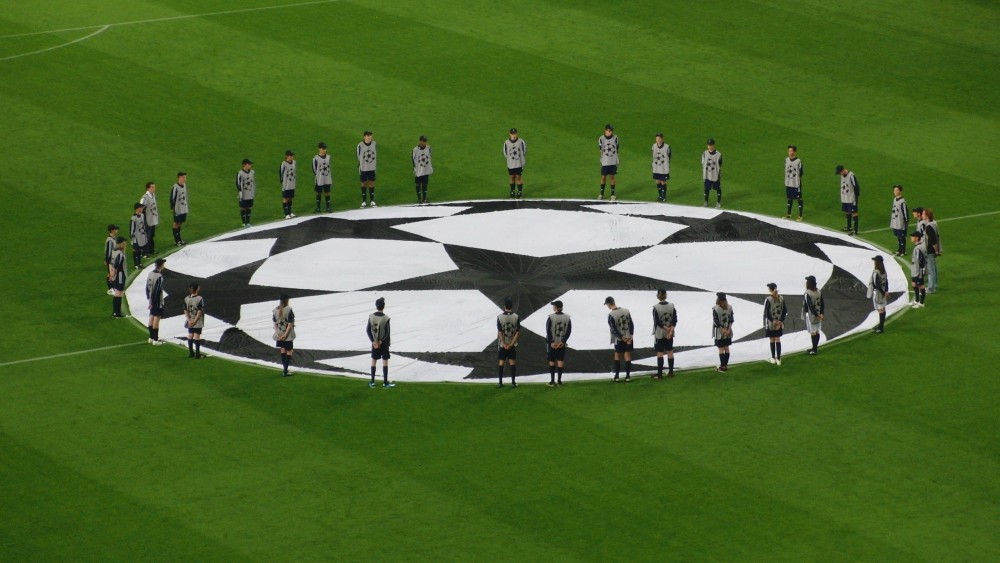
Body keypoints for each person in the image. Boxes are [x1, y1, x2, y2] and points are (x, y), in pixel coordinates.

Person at [604, 296, 634, 382]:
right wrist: (631, 335)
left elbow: (613, 329)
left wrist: (621, 337)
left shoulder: (611, 315)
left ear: (609, 304)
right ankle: (627, 377)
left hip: (619, 339)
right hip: (628, 336)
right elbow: (631, 324)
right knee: (627, 355)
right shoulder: (626, 310)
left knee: (617, 355)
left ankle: (616, 376)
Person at [367, 297, 394, 388]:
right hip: (384, 343)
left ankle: (372, 381)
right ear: (384, 306)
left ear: (376, 306)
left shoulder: (371, 317)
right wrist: (381, 341)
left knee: (373, 360)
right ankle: (385, 383)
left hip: (374, 343)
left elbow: (368, 330)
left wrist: (373, 341)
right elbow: (387, 332)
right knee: (385, 361)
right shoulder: (386, 318)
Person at [545, 300, 572, 386]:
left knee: (551, 360)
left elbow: (548, 331)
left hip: (552, 344)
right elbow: (569, 331)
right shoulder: (567, 317)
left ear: (555, 307)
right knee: (560, 360)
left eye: (553, 306)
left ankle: (552, 381)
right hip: (562, 344)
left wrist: (552, 342)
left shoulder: (551, 317)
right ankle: (559, 381)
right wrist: (563, 342)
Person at [651, 289, 677, 378]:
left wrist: (666, 328)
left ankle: (659, 374)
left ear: (658, 296)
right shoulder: (672, 306)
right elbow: (675, 319)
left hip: (660, 333)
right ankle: (671, 372)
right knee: (670, 351)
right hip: (670, 333)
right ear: (666, 295)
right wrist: (671, 330)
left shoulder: (655, 307)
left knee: (660, 352)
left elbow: (657, 322)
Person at [496, 298, 520, 387]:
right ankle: (513, 382)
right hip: (512, 345)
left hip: (503, 345)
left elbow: (499, 332)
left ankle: (500, 382)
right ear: (512, 307)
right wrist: (511, 344)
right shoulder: (516, 317)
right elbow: (517, 332)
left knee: (501, 363)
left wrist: (503, 344)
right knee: (512, 363)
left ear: (504, 306)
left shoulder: (499, 317)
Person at [763, 283, 787, 365]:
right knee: (777, 339)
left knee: (772, 339)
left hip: (771, 323)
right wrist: (780, 321)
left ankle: (773, 358)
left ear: (770, 289)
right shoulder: (781, 298)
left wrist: (773, 321)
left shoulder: (768, 299)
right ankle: (779, 359)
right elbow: (784, 311)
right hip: (779, 322)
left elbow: (766, 312)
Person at [272, 293, 295, 376]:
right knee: (289, 350)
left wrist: (278, 333)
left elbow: (275, 323)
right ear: (287, 300)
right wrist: (285, 335)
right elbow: (289, 324)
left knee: (283, 349)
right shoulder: (288, 309)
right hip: (287, 334)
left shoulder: (275, 310)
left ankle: (285, 369)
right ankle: (285, 371)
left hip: (279, 333)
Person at [145, 258, 167, 345]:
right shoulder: (159, 277)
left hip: (151, 299)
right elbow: (157, 291)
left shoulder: (150, 273)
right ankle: (155, 339)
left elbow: (147, 287)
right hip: (157, 301)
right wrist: (153, 303)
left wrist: (149, 299)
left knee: (151, 316)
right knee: (156, 318)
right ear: (161, 265)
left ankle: (151, 337)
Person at [802, 275, 824, 355]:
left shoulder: (807, 293)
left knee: (813, 332)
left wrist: (816, 315)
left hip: (811, 315)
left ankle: (814, 350)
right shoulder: (819, 291)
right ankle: (814, 348)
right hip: (818, 313)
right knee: (817, 331)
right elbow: (822, 303)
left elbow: (809, 306)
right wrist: (821, 313)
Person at [712, 292, 734, 371]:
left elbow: (716, 321)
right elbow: (731, 320)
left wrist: (722, 330)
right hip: (728, 330)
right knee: (726, 348)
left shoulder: (715, 308)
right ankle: (725, 366)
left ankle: (722, 366)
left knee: (721, 348)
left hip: (719, 332)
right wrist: (728, 330)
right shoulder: (730, 307)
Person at [836, 165, 860, 235]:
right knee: (847, 211)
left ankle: (855, 230)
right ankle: (849, 227)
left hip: (851, 197)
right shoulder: (842, 176)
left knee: (854, 212)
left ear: (843, 170)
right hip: (845, 197)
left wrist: (856, 197)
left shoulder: (851, 176)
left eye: (840, 172)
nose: (840, 174)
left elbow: (856, 186)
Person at [867, 255, 888, 333]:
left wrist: (883, 293)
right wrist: (886, 291)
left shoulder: (876, 272)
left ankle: (880, 328)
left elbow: (877, 285)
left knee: (880, 310)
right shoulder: (884, 271)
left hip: (878, 293)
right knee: (883, 309)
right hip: (883, 292)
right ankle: (881, 326)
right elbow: (886, 281)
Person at [922, 208, 941, 293]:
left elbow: (933, 241)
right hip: (932, 250)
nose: (922, 215)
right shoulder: (934, 223)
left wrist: (936, 251)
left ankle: (931, 288)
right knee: (933, 268)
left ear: (927, 216)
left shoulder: (929, 227)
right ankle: (934, 285)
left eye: (923, 214)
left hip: (930, 250)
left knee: (931, 270)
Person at [598, 124, 619, 201]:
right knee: (603, 177)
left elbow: (617, 148)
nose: (611, 132)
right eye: (609, 131)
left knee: (612, 177)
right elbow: (601, 150)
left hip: (613, 162)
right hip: (605, 162)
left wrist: (616, 159)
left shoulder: (615, 138)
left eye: (611, 131)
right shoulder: (601, 139)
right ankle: (601, 194)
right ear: (605, 131)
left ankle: (613, 194)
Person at [503, 128, 526, 199]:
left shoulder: (521, 142)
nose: (514, 135)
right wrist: (510, 159)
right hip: (511, 164)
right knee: (512, 177)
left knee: (518, 177)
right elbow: (505, 153)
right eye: (512, 134)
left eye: (515, 133)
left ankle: (519, 192)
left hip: (519, 163)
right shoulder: (506, 143)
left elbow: (524, 151)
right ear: (510, 134)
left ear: (517, 134)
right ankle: (512, 191)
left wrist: (520, 160)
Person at [184, 283, 205, 358]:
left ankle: (191, 353)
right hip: (197, 321)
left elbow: (185, 310)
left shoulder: (186, 298)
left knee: (190, 334)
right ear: (197, 289)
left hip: (190, 319)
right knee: (197, 336)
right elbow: (199, 311)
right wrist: (195, 320)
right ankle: (197, 354)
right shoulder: (200, 299)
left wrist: (189, 320)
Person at [110, 236, 129, 318]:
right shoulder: (120, 254)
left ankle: (115, 312)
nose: (125, 244)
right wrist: (113, 275)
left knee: (116, 293)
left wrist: (111, 274)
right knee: (119, 293)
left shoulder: (114, 251)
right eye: (124, 242)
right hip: (120, 275)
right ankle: (117, 312)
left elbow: (111, 264)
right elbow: (116, 266)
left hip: (115, 275)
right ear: (121, 243)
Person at [357, 130, 377, 208]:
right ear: (364, 137)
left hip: (372, 168)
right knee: (363, 183)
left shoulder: (374, 144)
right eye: (368, 136)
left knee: (371, 183)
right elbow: (358, 156)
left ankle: (372, 201)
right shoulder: (360, 145)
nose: (370, 137)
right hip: (363, 168)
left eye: (370, 135)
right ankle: (364, 201)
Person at [784, 145, 804, 221]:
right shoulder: (786, 160)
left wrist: (796, 179)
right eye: (789, 151)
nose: (789, 152)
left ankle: (800, 216)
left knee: (799, 198)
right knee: (789, 197)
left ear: (794, 152)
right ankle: (789, 214)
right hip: (788, 183)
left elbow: (801, 172)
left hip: (796, 184)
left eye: (791, 151)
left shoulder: (798, 161)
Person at [702, 138, 723, 208]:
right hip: (707, 175)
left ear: (713, 145)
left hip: (715, 175)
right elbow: (703, 163)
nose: (709, 146)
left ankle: (718, 202)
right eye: (708, 145)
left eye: (710, 145)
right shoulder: (704, 153)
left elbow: (720, 165)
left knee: (718, 188)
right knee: (706, 188)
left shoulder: (719, 155)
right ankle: (706, 202)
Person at [412, 135, 433, 205]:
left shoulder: (429, 148)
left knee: (425, 184)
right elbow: (413, 161)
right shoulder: (415, 150)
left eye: (425, 141)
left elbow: (430, 157)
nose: (424, 142)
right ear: (420, 141)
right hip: (418, 170)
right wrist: (415, 169)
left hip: (426, 170)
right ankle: (419, 199)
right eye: (423, 141)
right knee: (418, 184)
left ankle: (424, 199)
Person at [889, 184, 909, 256]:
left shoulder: (902, 202)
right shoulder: (895, 199)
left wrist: (906, 221)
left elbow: (905, 212)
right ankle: (899, 249)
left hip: (901, 222)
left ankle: (903, 251)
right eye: (894, 190)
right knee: (898, 236)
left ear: (900, 191)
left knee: (901, 236)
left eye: (897, 190)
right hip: (895, 221)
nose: (895, 191)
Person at [313, 142, 333, 213]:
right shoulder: (315, 158)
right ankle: (318, 208)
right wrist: (318, 175)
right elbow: (314, 169)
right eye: (323, 148)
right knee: (318, 192)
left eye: (325, 149)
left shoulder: (328, 157)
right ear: (319, 149)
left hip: (327, 178)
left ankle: (328, 207)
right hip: (319, 179)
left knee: (327, 192)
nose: (324, 150)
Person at [909, 231, 927, 309]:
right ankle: (916, 301)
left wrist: (921, 270)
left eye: (913, 236)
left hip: (918, 270)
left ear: (916, 238)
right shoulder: (919, 247)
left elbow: (921, 260)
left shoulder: (918, 248)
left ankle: (921, 303)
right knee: (913, 284)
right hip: (915, 270)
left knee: (920, 285)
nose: (911, 238)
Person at [170, 171, 188, 246]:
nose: (185, 179)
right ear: (179, 177)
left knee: (180, 223)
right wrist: (173, 208)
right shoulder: (175, 187)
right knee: (176, 223)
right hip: (177, 208)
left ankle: (179, 239)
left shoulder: (184, 185)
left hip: (183, 208)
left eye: (185, 177)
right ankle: (177, 241)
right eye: (183, 177)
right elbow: (172, 198)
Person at [651, 133, 671, 202]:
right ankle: (660, 196)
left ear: (662, 139)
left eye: (659, 138)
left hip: (663, 168)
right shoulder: (653, 146)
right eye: (656, 138)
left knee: (663, 181)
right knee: (657, 181)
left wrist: (667, 165)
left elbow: (669, 157)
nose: (658, 140)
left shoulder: (667, 147)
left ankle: (663, 196)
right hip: (656, 167)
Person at [140, 182, 159, 255]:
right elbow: (141, 208)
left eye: (154, 187)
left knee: (151, 235)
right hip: (147, 219)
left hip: (152, 219)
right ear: (148, 188)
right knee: (147, 236)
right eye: (152, 187)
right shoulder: (145, 197)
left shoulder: (153, 195)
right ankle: (145, 252)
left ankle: (151, 250)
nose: (154, 188)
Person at [236, 159, 256, 228]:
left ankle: (248, 222)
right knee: (243, 208)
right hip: (243, 194)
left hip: (250, 193)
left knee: (249, 207)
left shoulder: (252, 172)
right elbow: (238, 183)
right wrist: (240, 193)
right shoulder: (240, 173)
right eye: (249, 164)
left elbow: (253, 182)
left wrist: (253, 191)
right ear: (244, 165)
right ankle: (243, 223)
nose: (250, 165)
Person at [129, 202, 148, 270]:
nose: (142, 208)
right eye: (141, 207)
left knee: (140, 250)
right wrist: (132, 239)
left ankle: (139, 263)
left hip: (142, 236)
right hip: (136, 237)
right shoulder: (133, 218)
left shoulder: (142, 215)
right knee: (135, 251)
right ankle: (136, 264)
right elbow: (132, 230)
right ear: (137, 209)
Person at [279, 149, 297, 219]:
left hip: (292, 184)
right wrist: (283, 183)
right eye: (290, 155)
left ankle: (290, 212)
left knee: (290, 198)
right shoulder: (283, 164)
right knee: (285, 198)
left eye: (292, 156)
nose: (292, 157)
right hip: (286, 184)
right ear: (287, 156)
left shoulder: (294, 162)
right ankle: (286, 214)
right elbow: (281, 174)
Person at [104, 224, 120, 295]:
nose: (117, 230)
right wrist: (108, 261)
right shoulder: (110, 240)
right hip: (111, 260)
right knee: (110, 274)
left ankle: (113, 287)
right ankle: (110, 289)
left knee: (113, 274)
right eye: (115, 229)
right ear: (112, 230)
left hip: (113, 259)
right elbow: (109, 252)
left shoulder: (113, 238)